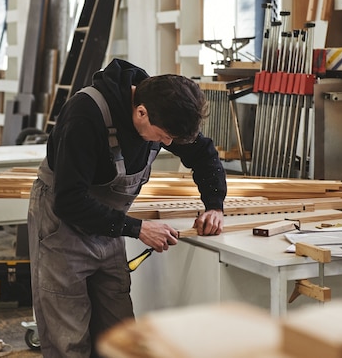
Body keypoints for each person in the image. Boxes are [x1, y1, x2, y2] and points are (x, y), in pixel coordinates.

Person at [26, 58, 227, 357]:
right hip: (62, 229)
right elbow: (69, 201)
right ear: (140, 111)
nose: (167, 143)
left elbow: (203, 155)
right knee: (68, 339)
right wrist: (137, 228)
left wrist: (214, 205)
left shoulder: (163, 110)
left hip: (107, 229)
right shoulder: (85, 116)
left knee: (120, 337)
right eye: (162, 137)